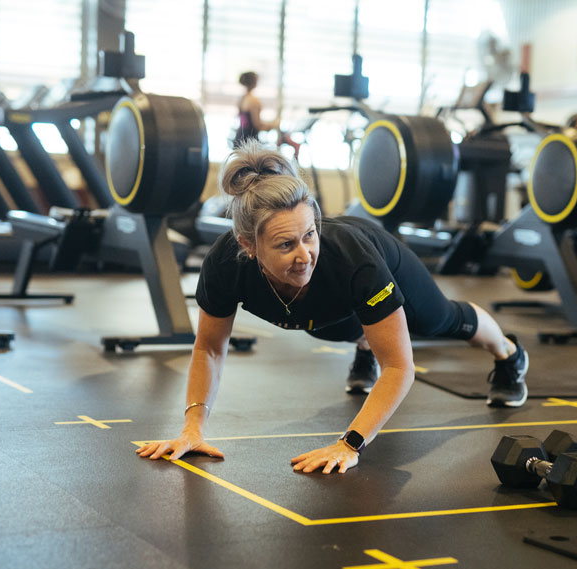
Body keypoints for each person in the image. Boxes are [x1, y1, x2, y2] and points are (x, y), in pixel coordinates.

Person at [135, 141, 529, 474]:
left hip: (380, 259)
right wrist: (192, 428)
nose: (305, 254)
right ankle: (363, 344)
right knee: (324, 323)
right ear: (248, 246)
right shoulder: (224, 265)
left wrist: (350, 444)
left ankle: (509, 354)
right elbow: (208, 348)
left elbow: (399, 367)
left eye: (310, 235)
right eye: (286, 245)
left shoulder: (352, 261)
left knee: (440, 320)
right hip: (323, 310)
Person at [234, 71, 300, 155]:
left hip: (239, 138)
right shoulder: (254, 101)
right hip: (250, 142)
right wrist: (273, 125)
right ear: (254, 82)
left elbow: (246, 122)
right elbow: (257, 125)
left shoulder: (242, 99)